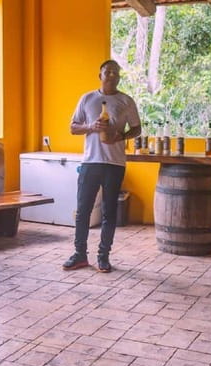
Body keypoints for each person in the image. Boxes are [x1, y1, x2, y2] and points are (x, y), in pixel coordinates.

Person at [62, 60, 141, 273]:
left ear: (119, 77)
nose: (112, 75)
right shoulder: (87, 98)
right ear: (100, 75)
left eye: (116, 72)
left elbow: (137, 128)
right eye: (108, 72)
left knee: (109, 212)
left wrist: (121, 136)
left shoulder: (126, 101)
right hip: (90, 162)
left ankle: (103, 257)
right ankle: (80, 255)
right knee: (83, 211)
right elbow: (73, 127)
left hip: (115, 163)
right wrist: (91, 126)